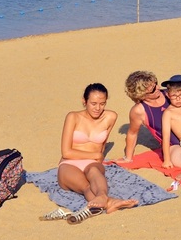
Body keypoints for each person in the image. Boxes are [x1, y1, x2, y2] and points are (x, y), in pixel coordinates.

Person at [56, 83, 137, 222]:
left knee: (94, 172)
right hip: (70, 162)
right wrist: (96, 155)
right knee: (86, 187)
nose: (98, 108)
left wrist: (97, 157)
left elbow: (102, 144)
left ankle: (103, 197)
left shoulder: (110, 116)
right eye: (93, 103)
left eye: (102, 103)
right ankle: (110, 202)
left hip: (92, 163)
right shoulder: (73, 117)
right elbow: (66, 151)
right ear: (84, 101)